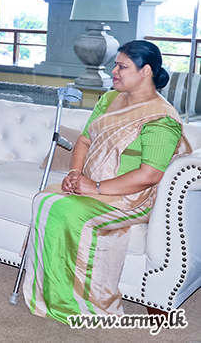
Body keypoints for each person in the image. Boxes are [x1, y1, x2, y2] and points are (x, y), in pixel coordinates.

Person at [23, 40, 192, 323]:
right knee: (44, 200)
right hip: (91, 184)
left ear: (145, 71)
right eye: (115, 65)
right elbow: (84, 139)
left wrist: (96, 187)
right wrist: (75, 174)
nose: (113, 71)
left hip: (130, 197)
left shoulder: (161, 117)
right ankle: (49, 292)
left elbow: (150, 174)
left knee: (65, 210)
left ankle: (78, 303)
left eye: (121, 66)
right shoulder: (110, 98)